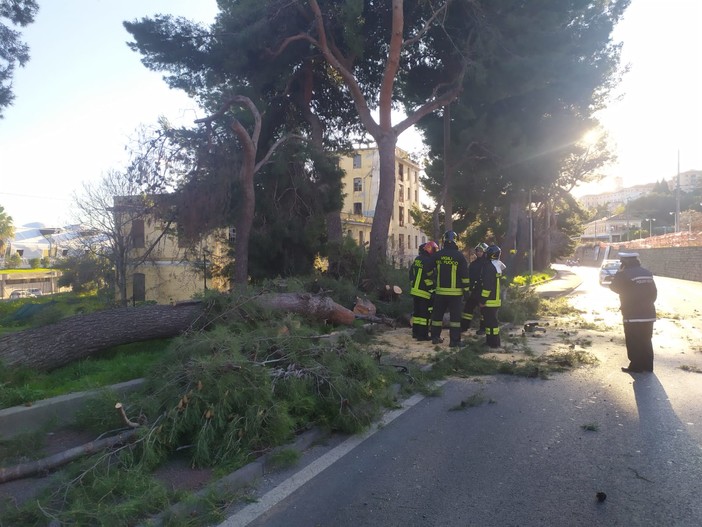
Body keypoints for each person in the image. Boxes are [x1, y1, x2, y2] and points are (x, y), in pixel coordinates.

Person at [609, 252, 657, 373]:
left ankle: (636, 366)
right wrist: (647, 304)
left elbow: (614, 287)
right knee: (646, 339)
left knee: (633, 340)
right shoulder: (647, 273)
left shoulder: (624, 274)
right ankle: (647, 366)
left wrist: (619, 273)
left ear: (624, 262)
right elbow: (654, 293)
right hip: (648, 314)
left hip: (632, 314)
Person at [430, 230, 470, 347]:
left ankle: (435, 337)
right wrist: (466, 291)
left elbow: (428, 269)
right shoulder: (459, 256)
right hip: (455, 294)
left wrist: (432, 284)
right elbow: (465, 276)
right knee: (455, 319)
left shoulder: (438, 255)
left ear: (444, 240)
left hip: (440, 293)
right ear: (456, 241)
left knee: (437, 316)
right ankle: (454, 341)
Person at [409, 241, 438, 341]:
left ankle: (415, 333)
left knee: (417, 313)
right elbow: (431, 276)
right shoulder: (429, 261)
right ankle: (423, 335)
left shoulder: (417, 259)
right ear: (430, 249)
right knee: (424, 315)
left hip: (415, 290)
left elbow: (411, 273)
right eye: (434, 250)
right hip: (424, 291)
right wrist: (434, 286)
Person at [480, 244, 506, 348]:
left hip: (489, 300)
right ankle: (492, 342)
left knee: (490, 323)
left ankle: (493, 343)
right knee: (492, 323)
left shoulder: (489, 267)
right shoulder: (498, 265)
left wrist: (482, 300)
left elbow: (487, 286)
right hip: (496, 299)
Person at [461, 242, 488, 333]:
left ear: (485, 252)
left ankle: (483, 328)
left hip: (483, 290)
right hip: (473, 290)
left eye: (481, 251)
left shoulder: (487, 264)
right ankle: (464, 326)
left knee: (483, 311)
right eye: (477, 251)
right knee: (468, 309)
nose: (479, 253)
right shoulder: (473, 264)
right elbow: (469, 276)